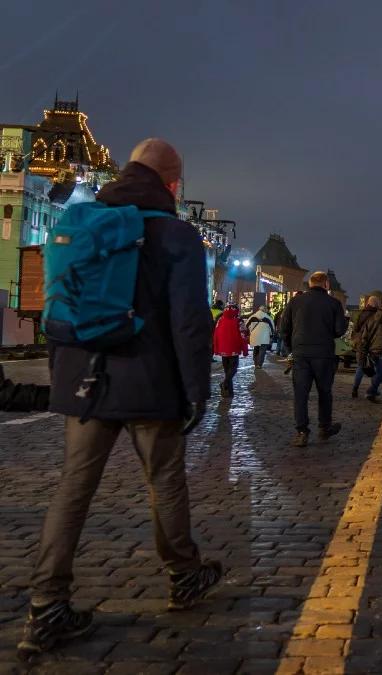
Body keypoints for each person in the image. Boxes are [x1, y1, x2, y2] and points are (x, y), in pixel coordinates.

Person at [20, 139, 221, 658]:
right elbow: (190, 322)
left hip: (84, 379)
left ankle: (46, 605)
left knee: (73, 489)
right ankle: (184, 574)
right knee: (164, 482)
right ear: (172, 185)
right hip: (150, 384)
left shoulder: (84, 221)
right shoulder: (177, 235)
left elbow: (59, 302)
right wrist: (197, 390)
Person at [278, 271, 348, 447]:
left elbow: (284, 328)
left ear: (310, 284)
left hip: (301, 354)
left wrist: (291, 349)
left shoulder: (295, 302)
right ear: (326, 284)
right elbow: (340, 331)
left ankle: (301, 431)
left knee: (300, 394)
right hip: (324, 354)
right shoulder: (334, 303)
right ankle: (324, 427)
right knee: (325, 392)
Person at [212, 306, 248, 397]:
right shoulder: (239, 321)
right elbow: (243, 335)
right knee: (233, 369)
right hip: (234, 348)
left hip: (223, 349)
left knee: (227, 370)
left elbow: (215, 334)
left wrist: (216, 348)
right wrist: (245, 349)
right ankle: (224, 384)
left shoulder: (220, 320)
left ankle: (228, 392)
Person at [350, 295, 382, 399]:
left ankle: (355, 389)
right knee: (375, 367)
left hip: (360, 343)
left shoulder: (361, 313)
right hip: (372, 343)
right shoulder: (378, 315)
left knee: (360, 366)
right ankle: (373, 389)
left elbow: (356, 328)